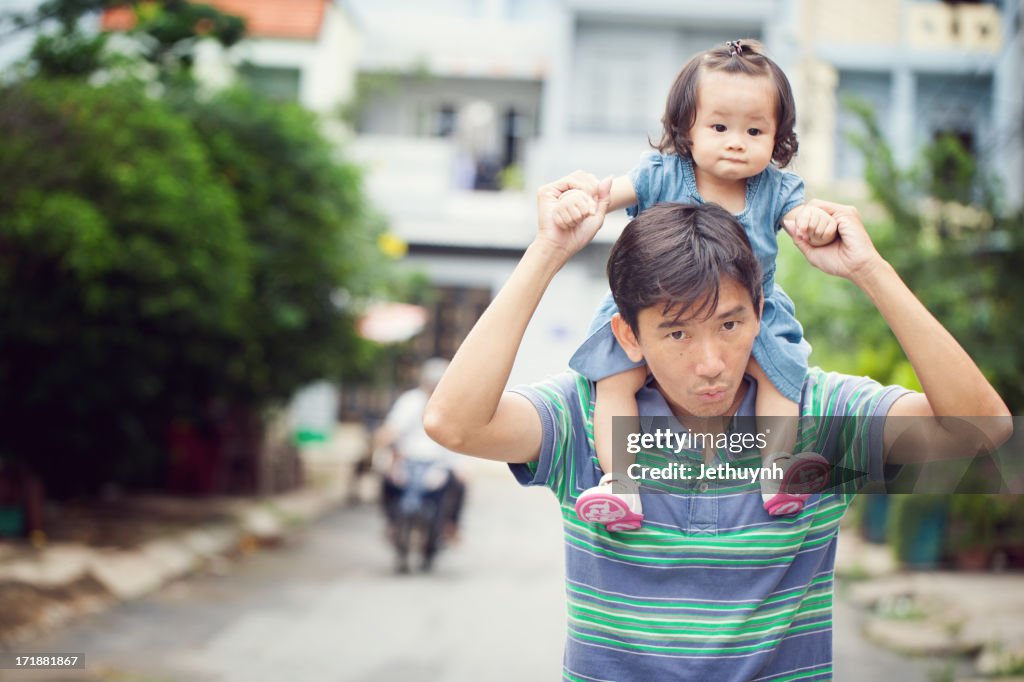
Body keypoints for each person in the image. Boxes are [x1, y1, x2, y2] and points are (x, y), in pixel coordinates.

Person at [422, 171, 1011, 680]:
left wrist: (871, 270)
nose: (710, 363)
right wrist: (547, 251)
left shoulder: (820, 415)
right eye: (677, 333)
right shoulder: (586, 416)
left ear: (761, 312)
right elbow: (453, 423)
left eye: (731, 325)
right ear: (628, 336)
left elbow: (981, 428)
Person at [553, 40, 838, 528]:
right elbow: (605, 196)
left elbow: (803, 220)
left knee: (782, 377)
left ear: (778, 137)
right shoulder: (662, 174)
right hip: (661, 305)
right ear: (686, 127)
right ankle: (621, 484)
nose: (736, 141)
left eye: (755, 130)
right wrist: (579, 201)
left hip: (751, 310)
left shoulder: (777, 189)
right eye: (720, 126)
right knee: (615, 381)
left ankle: (776, 471)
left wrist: (817, 222)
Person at [373, 358, 465, 544]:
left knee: (459, 486)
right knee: (386, 482)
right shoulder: (410, 401)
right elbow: (393, 427)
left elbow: (460, 436)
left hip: (440, 462)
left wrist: (460, 466)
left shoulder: (454, 405)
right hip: (408, 459)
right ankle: (392, 522)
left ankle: (451, 525)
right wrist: (383, 440)